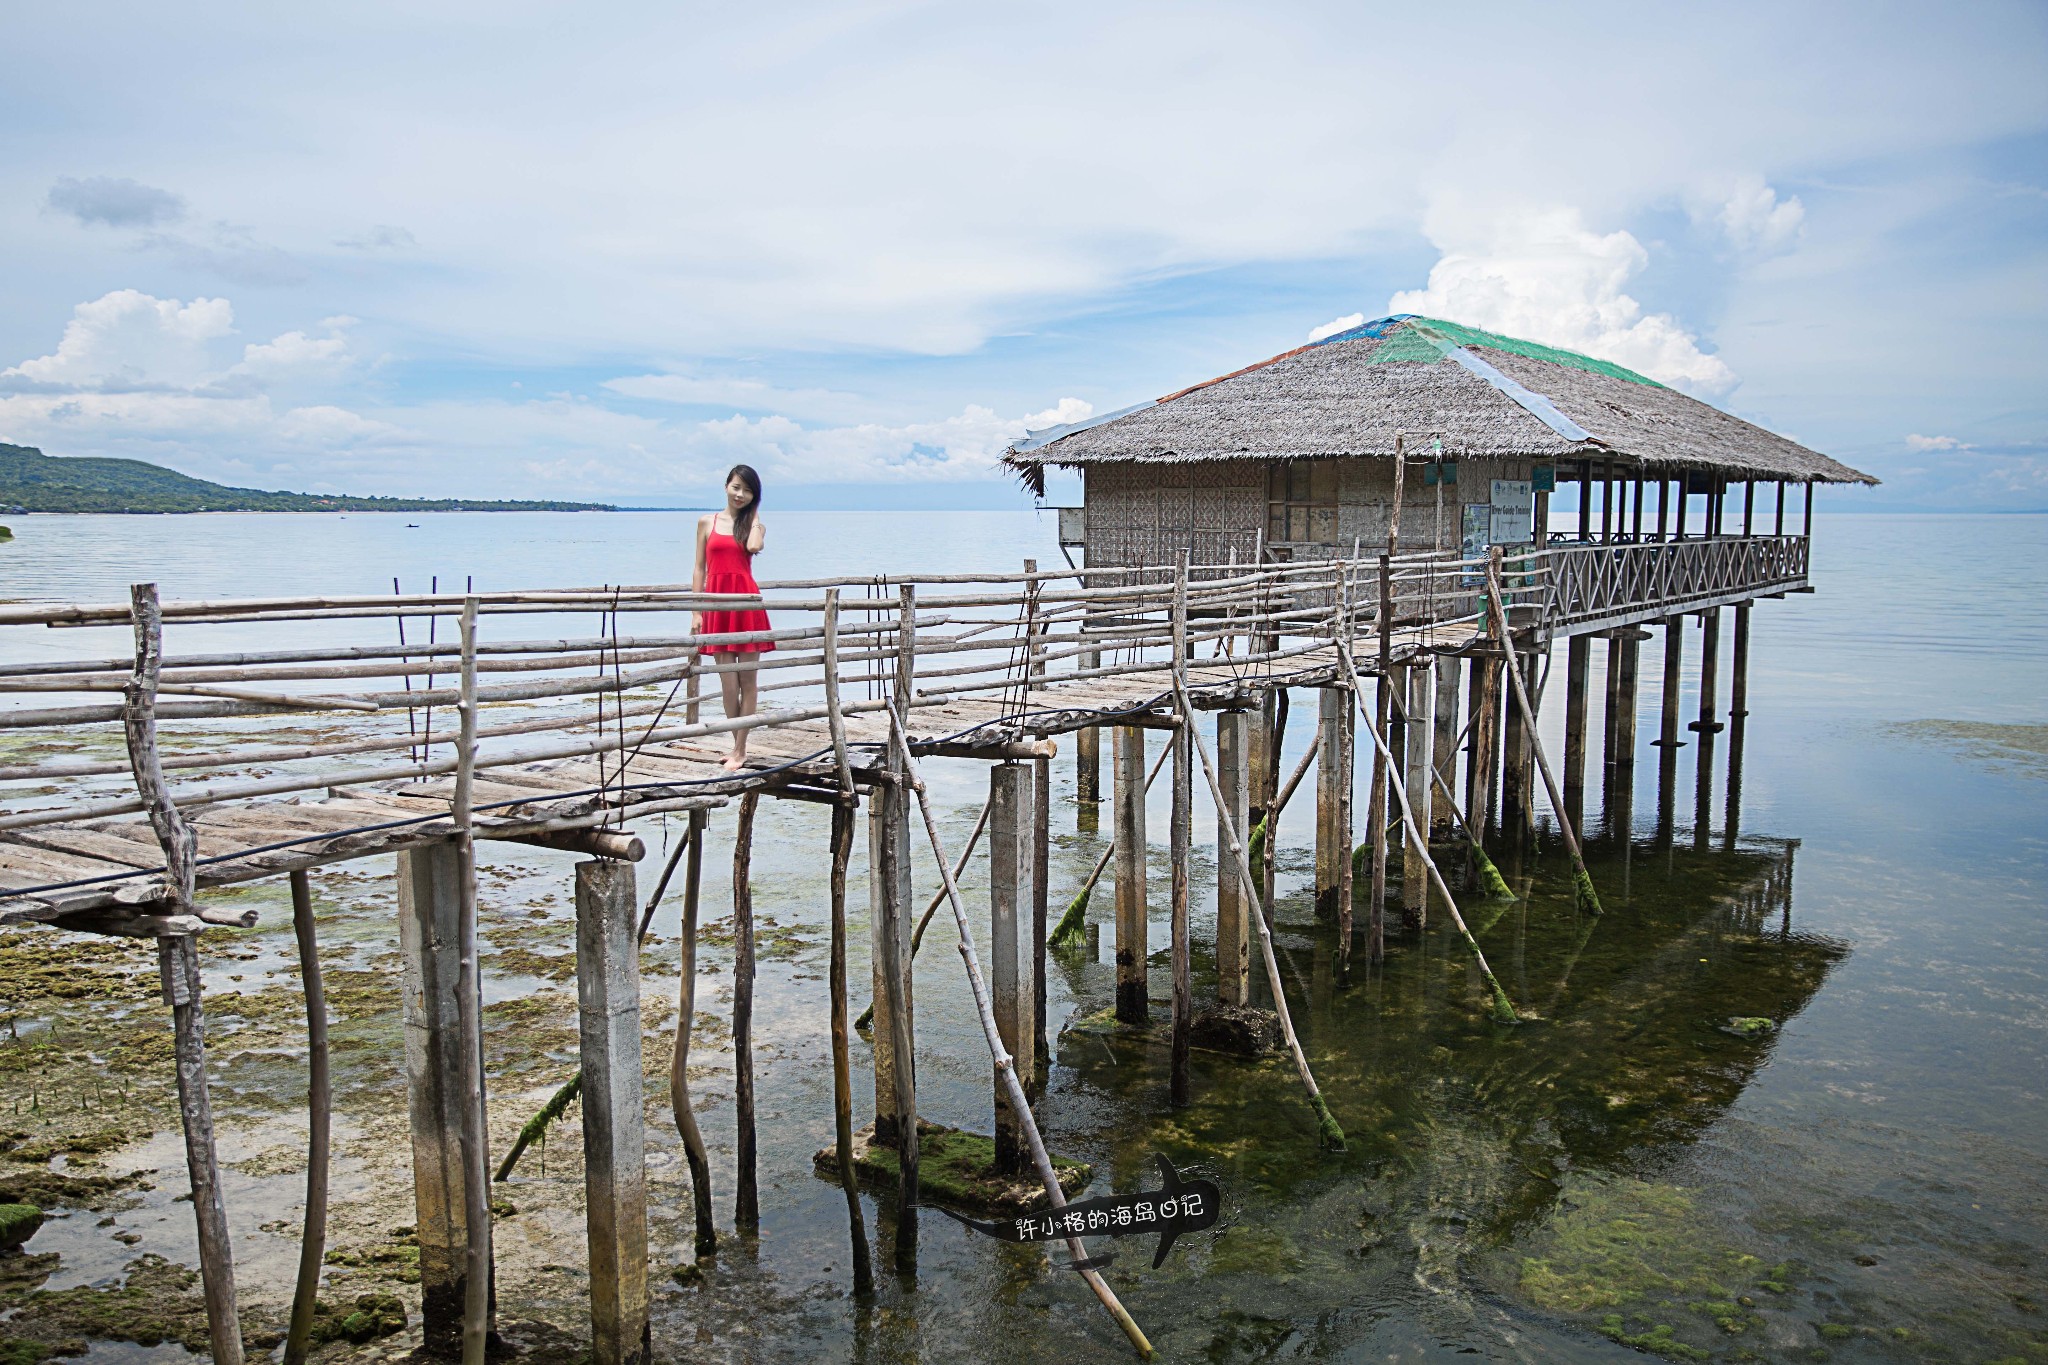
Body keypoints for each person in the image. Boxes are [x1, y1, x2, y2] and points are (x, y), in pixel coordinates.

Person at [693, 464, 771, 770]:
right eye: (736, 487)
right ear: (726, 486)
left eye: (748, 490)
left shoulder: (753, 524)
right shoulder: (705, 522)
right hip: (716, 605)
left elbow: (754, 547)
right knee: (728, 683)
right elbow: (699, 568)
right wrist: (696, 611)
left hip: (747, 604)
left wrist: (755, 520)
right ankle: (734, 743)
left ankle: (741, 749)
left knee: (748, 682)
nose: (740, 494)